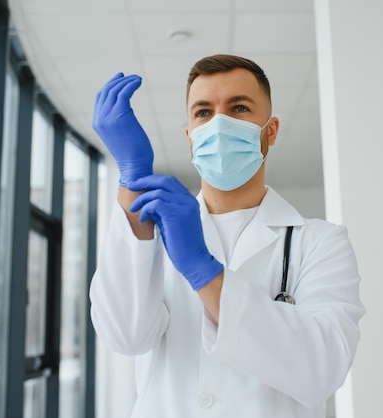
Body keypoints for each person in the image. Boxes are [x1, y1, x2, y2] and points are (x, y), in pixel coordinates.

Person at [89, 54, 365, 418]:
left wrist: (202, 269)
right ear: (190, 137)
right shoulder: (149, 234)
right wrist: (131, 179)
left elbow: (321, 371)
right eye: (203, 112)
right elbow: (125, 336)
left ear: (271, 130)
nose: (219, 124)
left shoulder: (319, 243)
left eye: (238, 108)